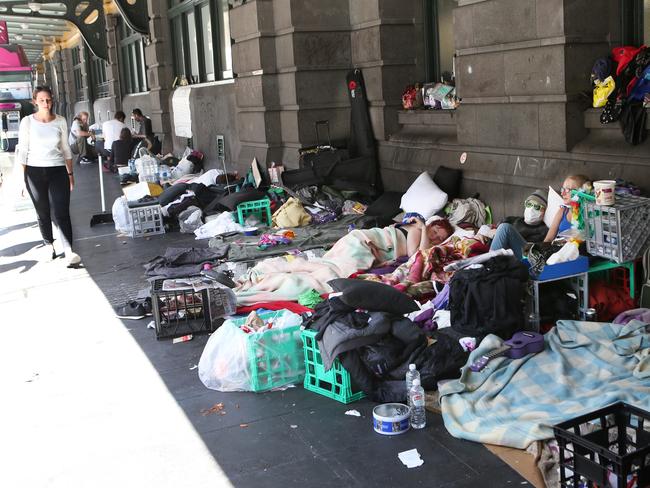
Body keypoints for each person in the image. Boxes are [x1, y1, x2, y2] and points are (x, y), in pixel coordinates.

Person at [16, 86, 81, 266]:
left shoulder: (60, 121)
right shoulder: (27, 122)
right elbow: (22, 152)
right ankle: (48, 245)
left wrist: (70, 173)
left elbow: (66, 149)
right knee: (42, 211)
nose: (46, 103)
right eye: (42, 100)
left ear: (52, 100)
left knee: (62, 210)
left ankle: (69, 250)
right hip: (34, 171)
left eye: (49, 100)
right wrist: (21, 180)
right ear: (35, 101)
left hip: (57, 170)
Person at [489, 189, 549, 259]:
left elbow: (538, 251)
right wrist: (484, 233)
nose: (531, 209)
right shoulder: (512, 219)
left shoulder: (544, 231)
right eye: (529, 204)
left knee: (504, 228)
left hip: (525, 256)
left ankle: (491, 264)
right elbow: (490, 228)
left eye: (537, 207)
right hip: (501, 254)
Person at [544, 174, 589, 242]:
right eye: (563, 189)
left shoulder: (588, 215)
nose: (563, 193)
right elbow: (549, 239)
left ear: (581, 192)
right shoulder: (563, 211)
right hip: (558, 249)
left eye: (568, 190)